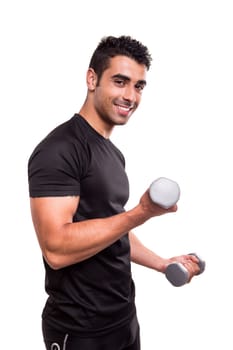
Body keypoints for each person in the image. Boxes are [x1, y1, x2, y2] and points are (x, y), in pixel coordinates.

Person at [28, 35, 200, 350]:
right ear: (91, 78)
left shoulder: (112, 153)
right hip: (79, 331)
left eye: (139, 86)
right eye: (120, 81)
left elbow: (112, 225)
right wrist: (141, 213)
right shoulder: (60, 150)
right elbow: (55, 249)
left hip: (122, 319)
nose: (130, 95)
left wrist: (161, 263)